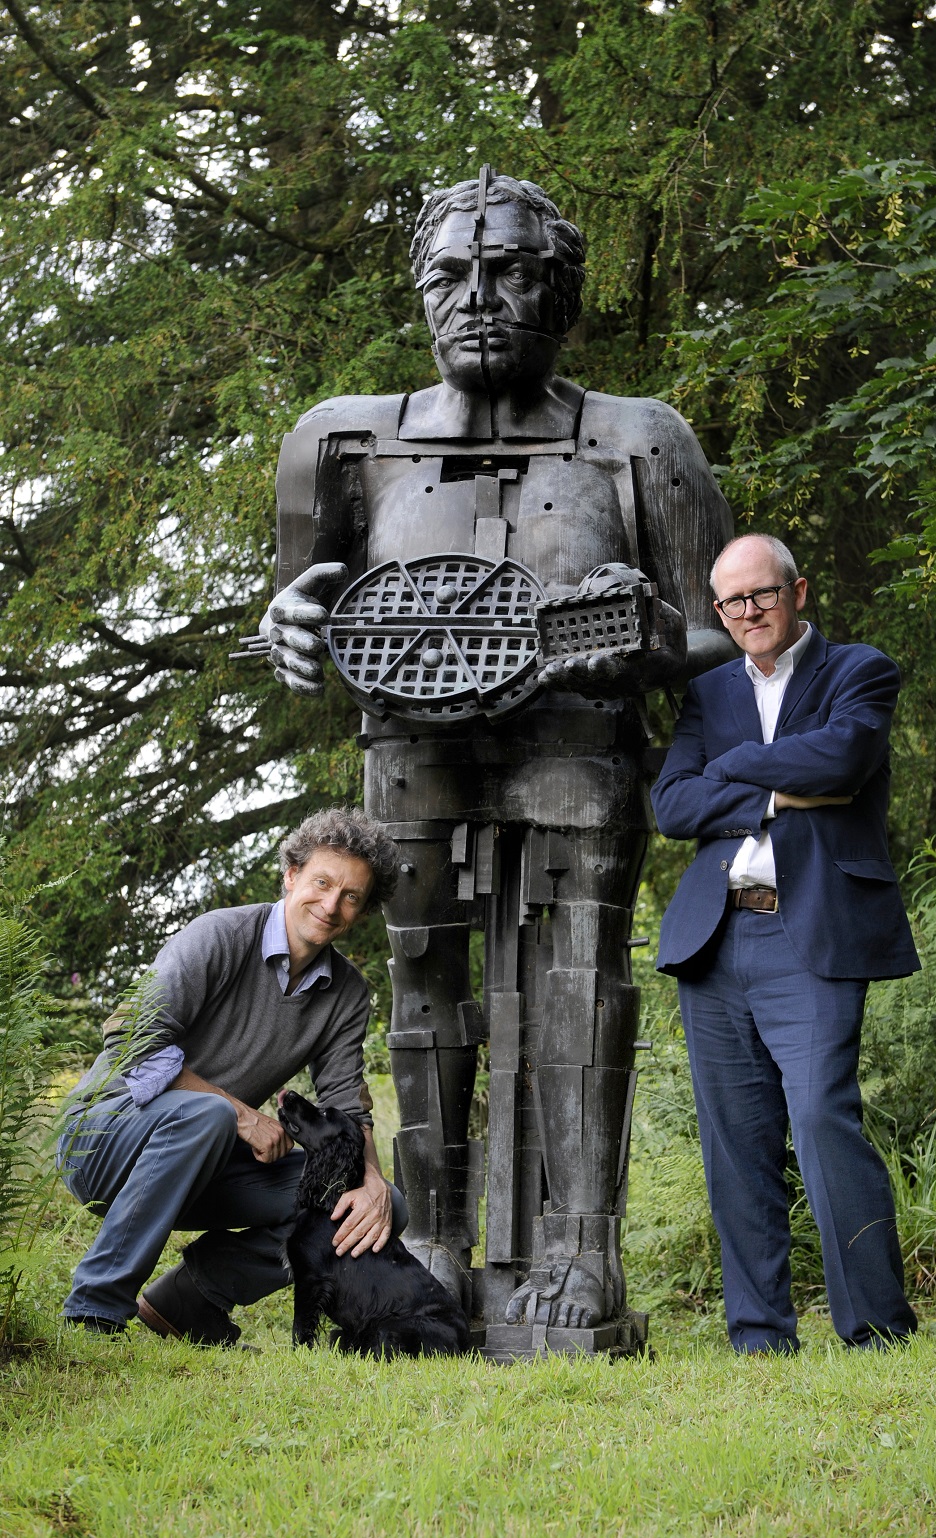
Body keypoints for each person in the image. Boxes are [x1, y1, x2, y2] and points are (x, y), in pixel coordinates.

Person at [260, 170, 734, 1345]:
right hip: (412, 752)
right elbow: (296, 605)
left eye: (511, 271)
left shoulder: (638, 439)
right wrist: (285, 628)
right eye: (451, 274)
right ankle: (429, 1239)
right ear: (419, 291)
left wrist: (639, 641)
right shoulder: (342, 439)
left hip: (577, 745)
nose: (478, 296)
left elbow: (719, 621)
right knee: (422, 984)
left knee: (581, 986)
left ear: (560, 291)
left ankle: (583, 1248)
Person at [651, 533, 920, 1354]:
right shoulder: (709, 692)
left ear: (797, 591)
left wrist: (731, 773)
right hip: (716, 935)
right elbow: (671, 806)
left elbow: (845, 753)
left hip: (812, 933)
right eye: (731, 602)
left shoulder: (859, 671)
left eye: (761, 595)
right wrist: (777, 794)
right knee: (736, 1143)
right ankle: (761, 1335)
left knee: (820, 1120)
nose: (747, 613)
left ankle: (876, 1330)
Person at [58, 806, 404, 1343]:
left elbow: (345, 1106)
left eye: (351, 896)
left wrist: (373, 1182)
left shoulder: (348, 993)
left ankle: (189, 1298)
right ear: (290, 876)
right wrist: (241, 1115)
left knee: (375, 1205)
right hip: (104, 1138)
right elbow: (130, 1036)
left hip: (204, 1158)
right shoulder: (218, 936)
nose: (331, 905)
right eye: (321, 883)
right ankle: (93, 1311)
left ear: (362, 909)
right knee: (211, 1116)